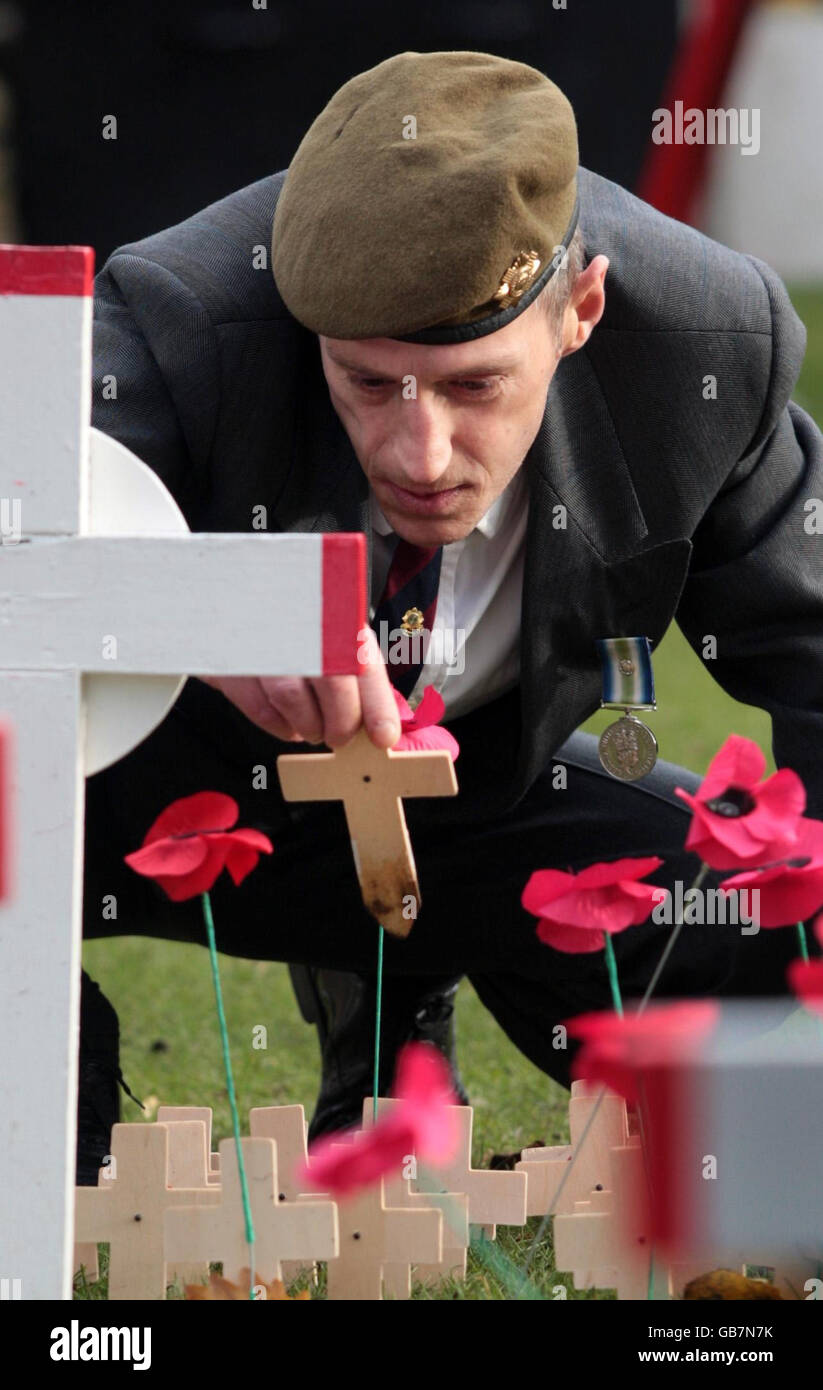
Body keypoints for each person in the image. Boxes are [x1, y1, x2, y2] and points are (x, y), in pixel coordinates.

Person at [79, 50, 822, 1181]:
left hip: (468, 801)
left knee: (748, 901)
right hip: (147, 792)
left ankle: (401, 995)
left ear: (582, 308)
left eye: (475, 386)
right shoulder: (186, 310)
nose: (418, 457)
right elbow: (20, 534)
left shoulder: (706, 343)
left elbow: (814, 648)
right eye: (366, 384)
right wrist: (196, 608)